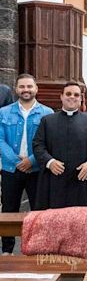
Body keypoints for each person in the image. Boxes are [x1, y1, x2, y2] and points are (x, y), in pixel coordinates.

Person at [0, 74, 53, 254]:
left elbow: (48, 142)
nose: (26, 90)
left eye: (29, 86)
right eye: (22, 86)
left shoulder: (47, 113)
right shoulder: (4, 112)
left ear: (36, 89)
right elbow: (0, 140)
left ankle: (35, 249)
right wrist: (16, 162)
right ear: (16, 89)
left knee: (38, 211)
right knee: (9, 209)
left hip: (36, 169)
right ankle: (7, 250)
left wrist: (31, 160)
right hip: (10, 168)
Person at [33, 81, 87, 210]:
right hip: (54, 180)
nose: (72, 97)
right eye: (68, 94)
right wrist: (49, 161)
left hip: (82, 180)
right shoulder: (47, 121)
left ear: (81, 99)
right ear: (61, 96)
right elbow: (38, 145)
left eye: (76, 95)